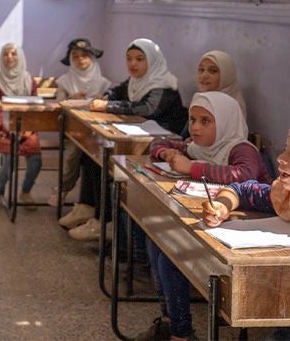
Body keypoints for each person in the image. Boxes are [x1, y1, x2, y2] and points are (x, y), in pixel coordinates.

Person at [137, 92, 269, 341]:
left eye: (205, 121)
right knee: (157, 238)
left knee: (170, 253)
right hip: (213, 223)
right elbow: (159, 143)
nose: (195, 127)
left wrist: (192, 167)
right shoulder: (198, 146)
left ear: (226, 121)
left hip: (244, 239)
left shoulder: (240, 148)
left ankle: (181, 333)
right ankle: (170, 322)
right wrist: (167, 154)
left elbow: (244, 175)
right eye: (193, 119)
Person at [63, 38, 187, 240]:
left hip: (157, 148)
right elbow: (118, 90)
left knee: (104, 163)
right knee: (91, 158)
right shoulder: (136, 82)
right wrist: (106, 96)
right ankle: (90, 209)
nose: (133, 64)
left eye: (140, 59)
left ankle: (106, 223)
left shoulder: (163, 86)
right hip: (138, 141)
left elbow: (146, 109)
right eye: (129, 59)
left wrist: (107, 106)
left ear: (153, 61)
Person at [51, 38, 112, 207]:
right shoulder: (65, 81)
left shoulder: (103, 83)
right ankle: (63, 189)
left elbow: (109, 104)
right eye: (75, 56)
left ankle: (93, 205)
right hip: (74, 130)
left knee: (102, 155)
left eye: (84, 55)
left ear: (92, 58)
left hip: (99, 130)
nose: (80, 60)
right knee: (72, 155)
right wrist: (70, 98)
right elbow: (59, 103)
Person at [0, 42, 42, 211]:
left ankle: (25, 192)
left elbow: (35, 106)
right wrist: (8, 127)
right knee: (10, 159)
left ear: (20, 56)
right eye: (6, 54)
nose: (10, 57)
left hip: (27, 128)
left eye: (13, 54)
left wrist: (29, 128)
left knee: (36, 161)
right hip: (5, 128)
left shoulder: (28, 79)